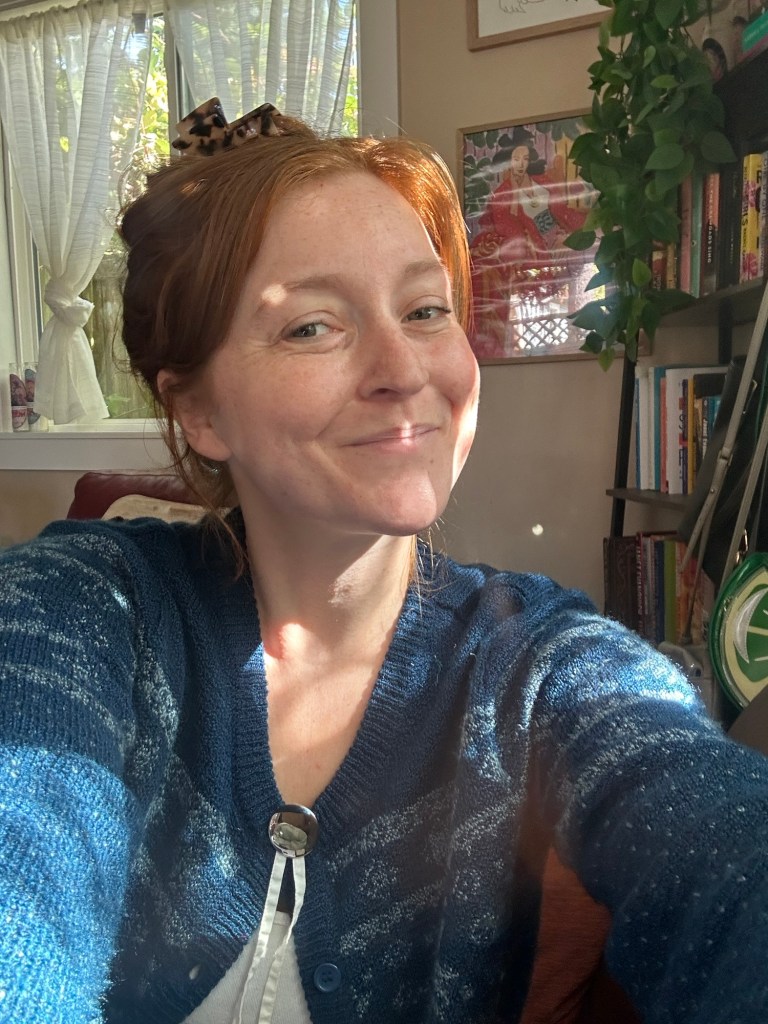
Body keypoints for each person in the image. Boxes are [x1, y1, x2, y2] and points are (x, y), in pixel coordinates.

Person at [1, 97, 768, 1024]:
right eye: (313, 326)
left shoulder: (540, 665)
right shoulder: (84, 611)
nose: (404, 369)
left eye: (425, 310)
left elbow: (722, 846)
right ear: (197, 411)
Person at [469, 124, 593, 357]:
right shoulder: (502, 194)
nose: (520, 163)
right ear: (508, 161)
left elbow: (562, 210)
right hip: (527, 244)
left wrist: (566, 236)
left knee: (592, 236)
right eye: (516, 158)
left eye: (525, 158)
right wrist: (547, 245)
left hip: (557, 234)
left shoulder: (542, 181)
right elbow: (513, 233)